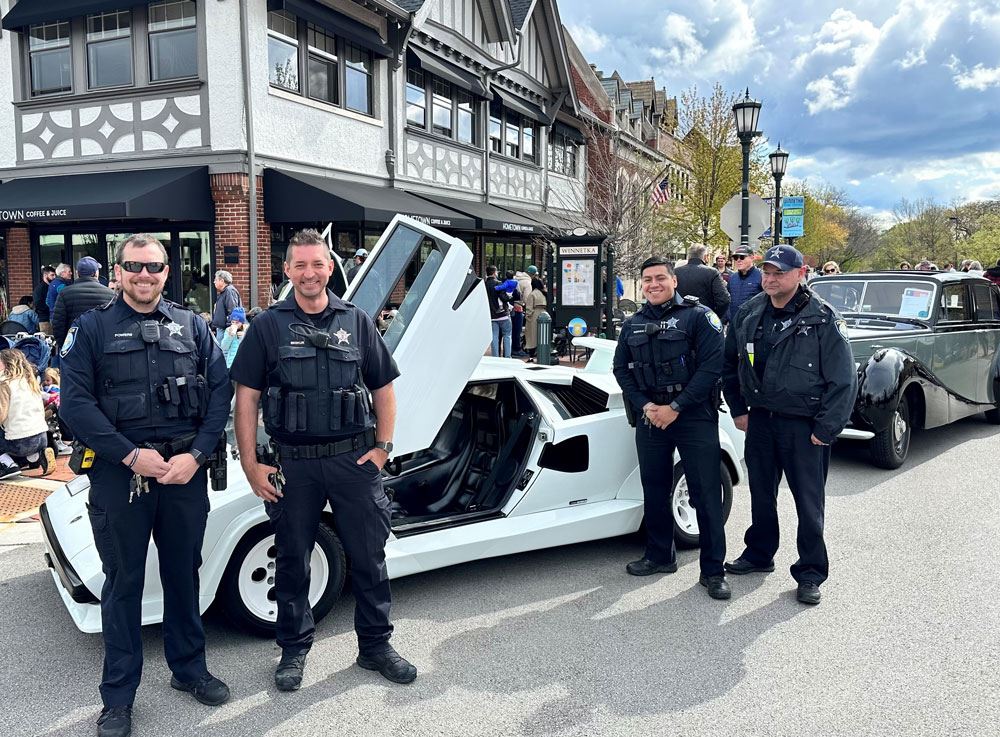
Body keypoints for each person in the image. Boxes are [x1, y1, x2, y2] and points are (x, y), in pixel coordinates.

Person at [59, 233, 233, 737]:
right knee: (124, 585)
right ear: (117, 272)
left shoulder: (192, 326)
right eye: (133, 266)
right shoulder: (90, 330)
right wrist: (132, 455)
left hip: (183, 475)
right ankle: (118, 698)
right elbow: (75, 405)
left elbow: (219, 394)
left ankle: (190, 669)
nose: (144, 275)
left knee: (184, 574)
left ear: (166, 271)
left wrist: (196, 455)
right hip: (121, 476)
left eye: (153, 266)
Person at [230, 228, 416, 692]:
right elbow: (246, 400)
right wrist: (251, 463)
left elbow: (384, 388)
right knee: (293, 559)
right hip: (292, 465)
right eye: (300, 265)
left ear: (330, 268)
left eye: (318, 264)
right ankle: (293, 649)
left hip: (353, 460)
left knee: (370, 557)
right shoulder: (268, 326)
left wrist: (383, 448)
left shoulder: (355, 321)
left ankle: (375, 645)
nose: (309, 273)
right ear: (287, 270)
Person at [722, 244, 857, 606]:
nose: (770, 278)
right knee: (761, 495)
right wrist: (737, 408)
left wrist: (825, 429)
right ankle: (759, 554)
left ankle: (811, 571)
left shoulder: (822, 318)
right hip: (761, 419)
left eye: (779, 272)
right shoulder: (749, 313)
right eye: (767, 271)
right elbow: (729, 363)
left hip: (805, 426)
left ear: (801, 274)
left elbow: (843, 380)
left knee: (808, 503)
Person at [612, 256, 730, 600]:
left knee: (705, 492)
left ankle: (713, 570)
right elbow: (622, 370)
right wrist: (648, 406)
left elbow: (711, 368)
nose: (653, 284)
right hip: (651, 415)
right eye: (647, 279)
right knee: (654, 488)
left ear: (674, 281)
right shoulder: (632, 324)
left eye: (660, 278)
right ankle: (660, 555)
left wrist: (676, 408)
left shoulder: (698, 317)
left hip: (693, 415)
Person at [0, 348, 57, 479]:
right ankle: (35, 456)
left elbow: (1, 414)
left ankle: (8, 465)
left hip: (20, 441)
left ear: (8, 363)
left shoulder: (3, 383)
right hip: (42, 437)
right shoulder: (30, 381)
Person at [51, 257, 115, 347]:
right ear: (96, 273)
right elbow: (115, 323)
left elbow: (58, 324)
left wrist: (64, 346)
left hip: (75, 346)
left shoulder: (65, 293)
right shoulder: (110, 294)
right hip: (102, 347)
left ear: (77, 273)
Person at [674, 245, 731, 320]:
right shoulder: (712, 272)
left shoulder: (675, 272)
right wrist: (714, 316)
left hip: (680, 319)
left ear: (688, 256)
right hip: (704, 319)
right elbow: (724, 300)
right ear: (705, 257)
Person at [727, 247, 762, 323]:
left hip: (753, 326)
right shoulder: (732, 277)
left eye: (742, 257)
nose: (738, 260)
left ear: (752, 257)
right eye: (736, 258)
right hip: (733, 325)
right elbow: (728, 300)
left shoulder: (761, 276)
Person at [485, 265, 512, 358]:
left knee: (494, 337)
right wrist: (509, 297)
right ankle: (507, 356)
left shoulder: (484, 284)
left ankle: (495, 357)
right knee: (507, 335)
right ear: (494, 273)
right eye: (496, 272)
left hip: (491, 315)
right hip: (503, 314)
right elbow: (504, 297)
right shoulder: (499, 283)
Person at [210, 270, 242, 337]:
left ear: (222, 281)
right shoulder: (224, 292)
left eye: (216, 280)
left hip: (226, 330)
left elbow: (233, 310)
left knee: (223, 347)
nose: (214, 282)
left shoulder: (229, 291)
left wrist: (230, 327)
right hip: (222, 328)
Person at [523, 278, 548, 359]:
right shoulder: (544, 293)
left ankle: (531, 353)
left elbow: (529, 308)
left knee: (531, 335)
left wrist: (527, 317)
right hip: (544, 313)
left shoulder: (532, 294)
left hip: (534, 315)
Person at [33, 266, 56, 333]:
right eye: (52, 275)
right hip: (45, 319)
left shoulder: (52, 287)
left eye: (55, 275)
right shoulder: (40, 288)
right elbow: (38, 303)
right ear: (45, 275)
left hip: (52, 317)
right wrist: (50, 308)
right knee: (47, 339)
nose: (54, 277)